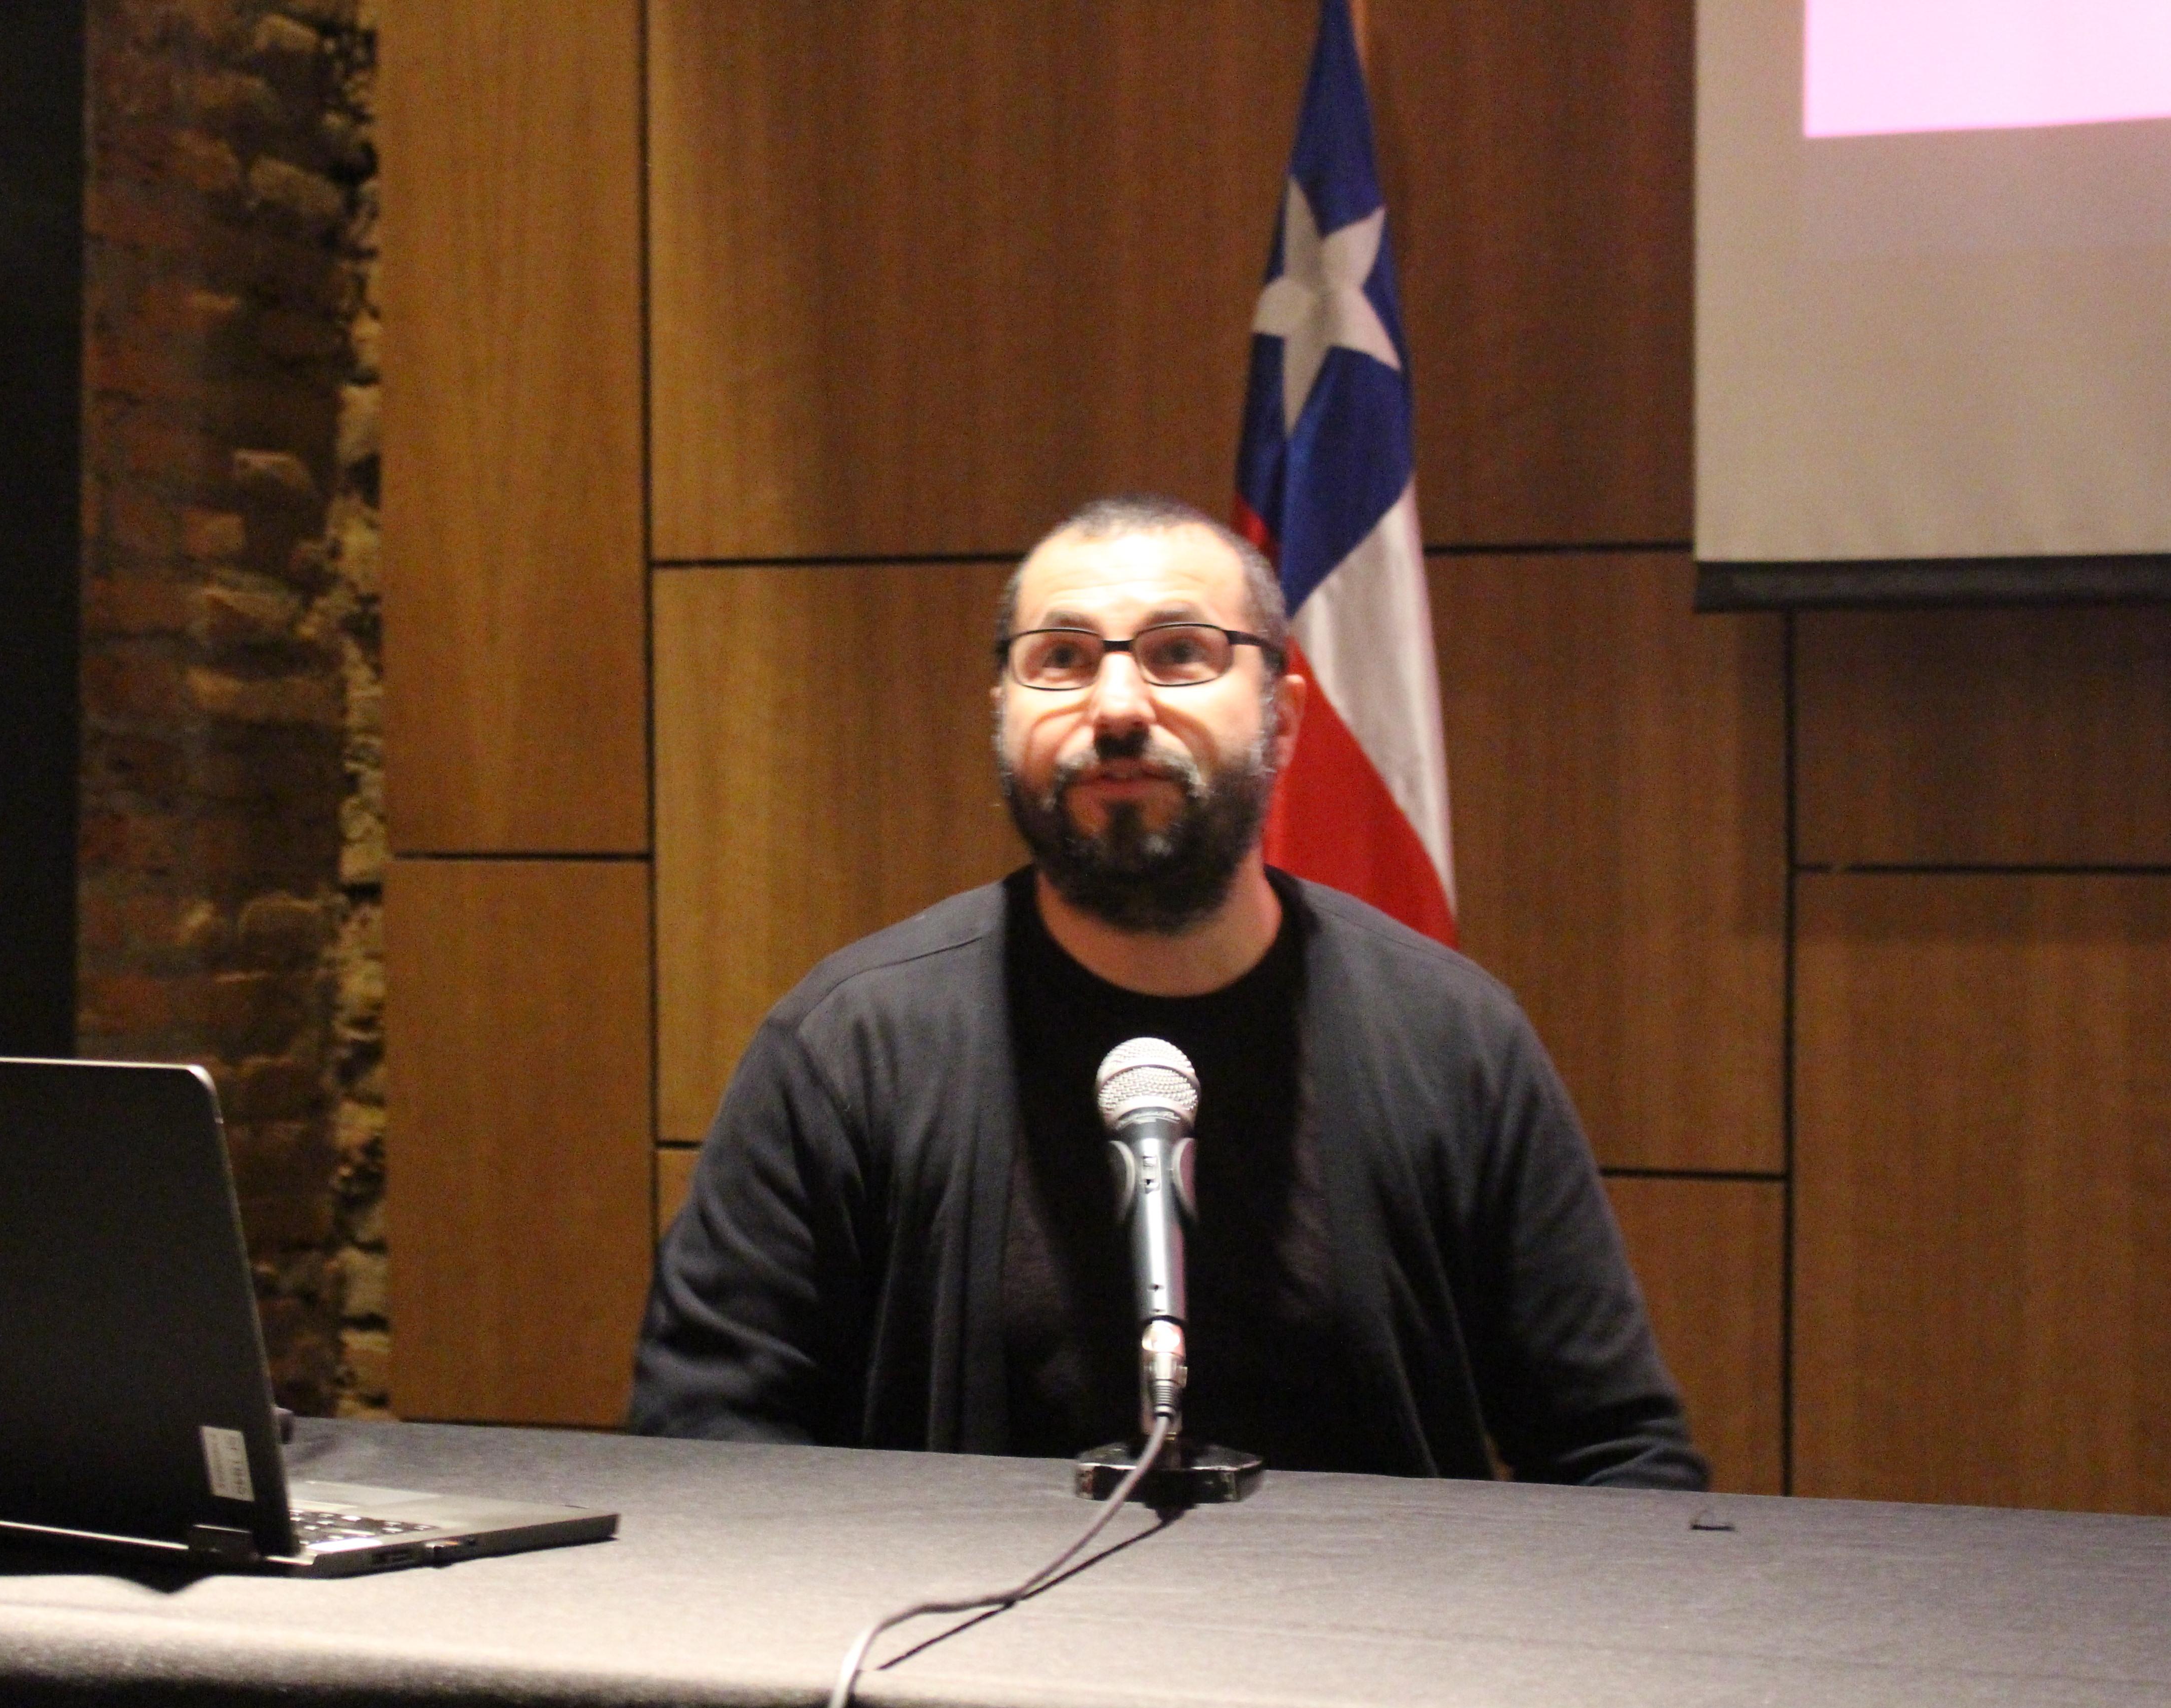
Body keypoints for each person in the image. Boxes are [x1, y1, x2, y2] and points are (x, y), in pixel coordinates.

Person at [630, 494, 1704, 1488]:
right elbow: (708, 1442)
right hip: (955, 1666)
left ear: (1282, 719)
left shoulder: (1455, 1040)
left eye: (1179, 653)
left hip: (1370, 1668)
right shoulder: (848, 1049)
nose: (1116, 706)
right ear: (1001, 713)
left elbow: (1617, 1458)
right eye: (1060, 660)